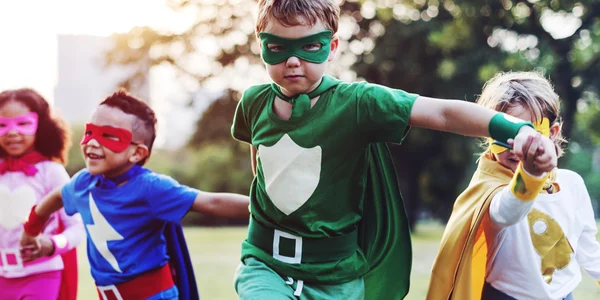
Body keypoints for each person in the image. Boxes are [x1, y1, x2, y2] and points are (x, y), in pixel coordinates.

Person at [230, 1, 558, 299]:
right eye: (276, 47)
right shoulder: (253, 102)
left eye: (309, 47)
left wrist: (517, 130)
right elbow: (263, 170)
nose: (292, 61)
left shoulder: (358, 103)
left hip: (336, 276)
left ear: (331, 47)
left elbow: (442, 112)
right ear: (261, 45)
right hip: (264, 264)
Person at [21, 90, 250, 300]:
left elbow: (211, 202)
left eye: (109, 136)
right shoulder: (83, 182)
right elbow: (57, 196)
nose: (92, 142)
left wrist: (269, 209)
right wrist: (31, 230)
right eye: (90, 132)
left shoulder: (151, 187)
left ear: (137, 152)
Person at [427, 71, 600, 300]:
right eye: (503, 135)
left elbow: (588, 246)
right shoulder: (490, 189)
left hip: (562, 295)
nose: (514, 147)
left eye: (529, 134)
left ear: (553, 133)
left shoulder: (572, 184)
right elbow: (507, 211)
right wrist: (530, 174)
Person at [0, 88, 84, 300]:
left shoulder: (51, 172)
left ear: (42, 126)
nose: (12, 132)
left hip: (42, 275)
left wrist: (53, 245)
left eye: (23, 123)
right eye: (2, 125)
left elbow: (77, 227)